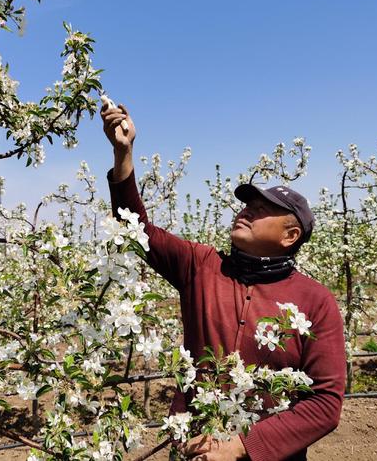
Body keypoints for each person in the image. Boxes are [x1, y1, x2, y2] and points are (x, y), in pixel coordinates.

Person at [101, 104, 346, 461]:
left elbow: (325, 403)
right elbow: (135, 231)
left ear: (290, 235)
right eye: (246, 205)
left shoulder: (314, 301)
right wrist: (123, 153)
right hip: (194, 448)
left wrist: (241, 447)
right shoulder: (202, 265)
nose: (245, 210)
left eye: (261, 210)